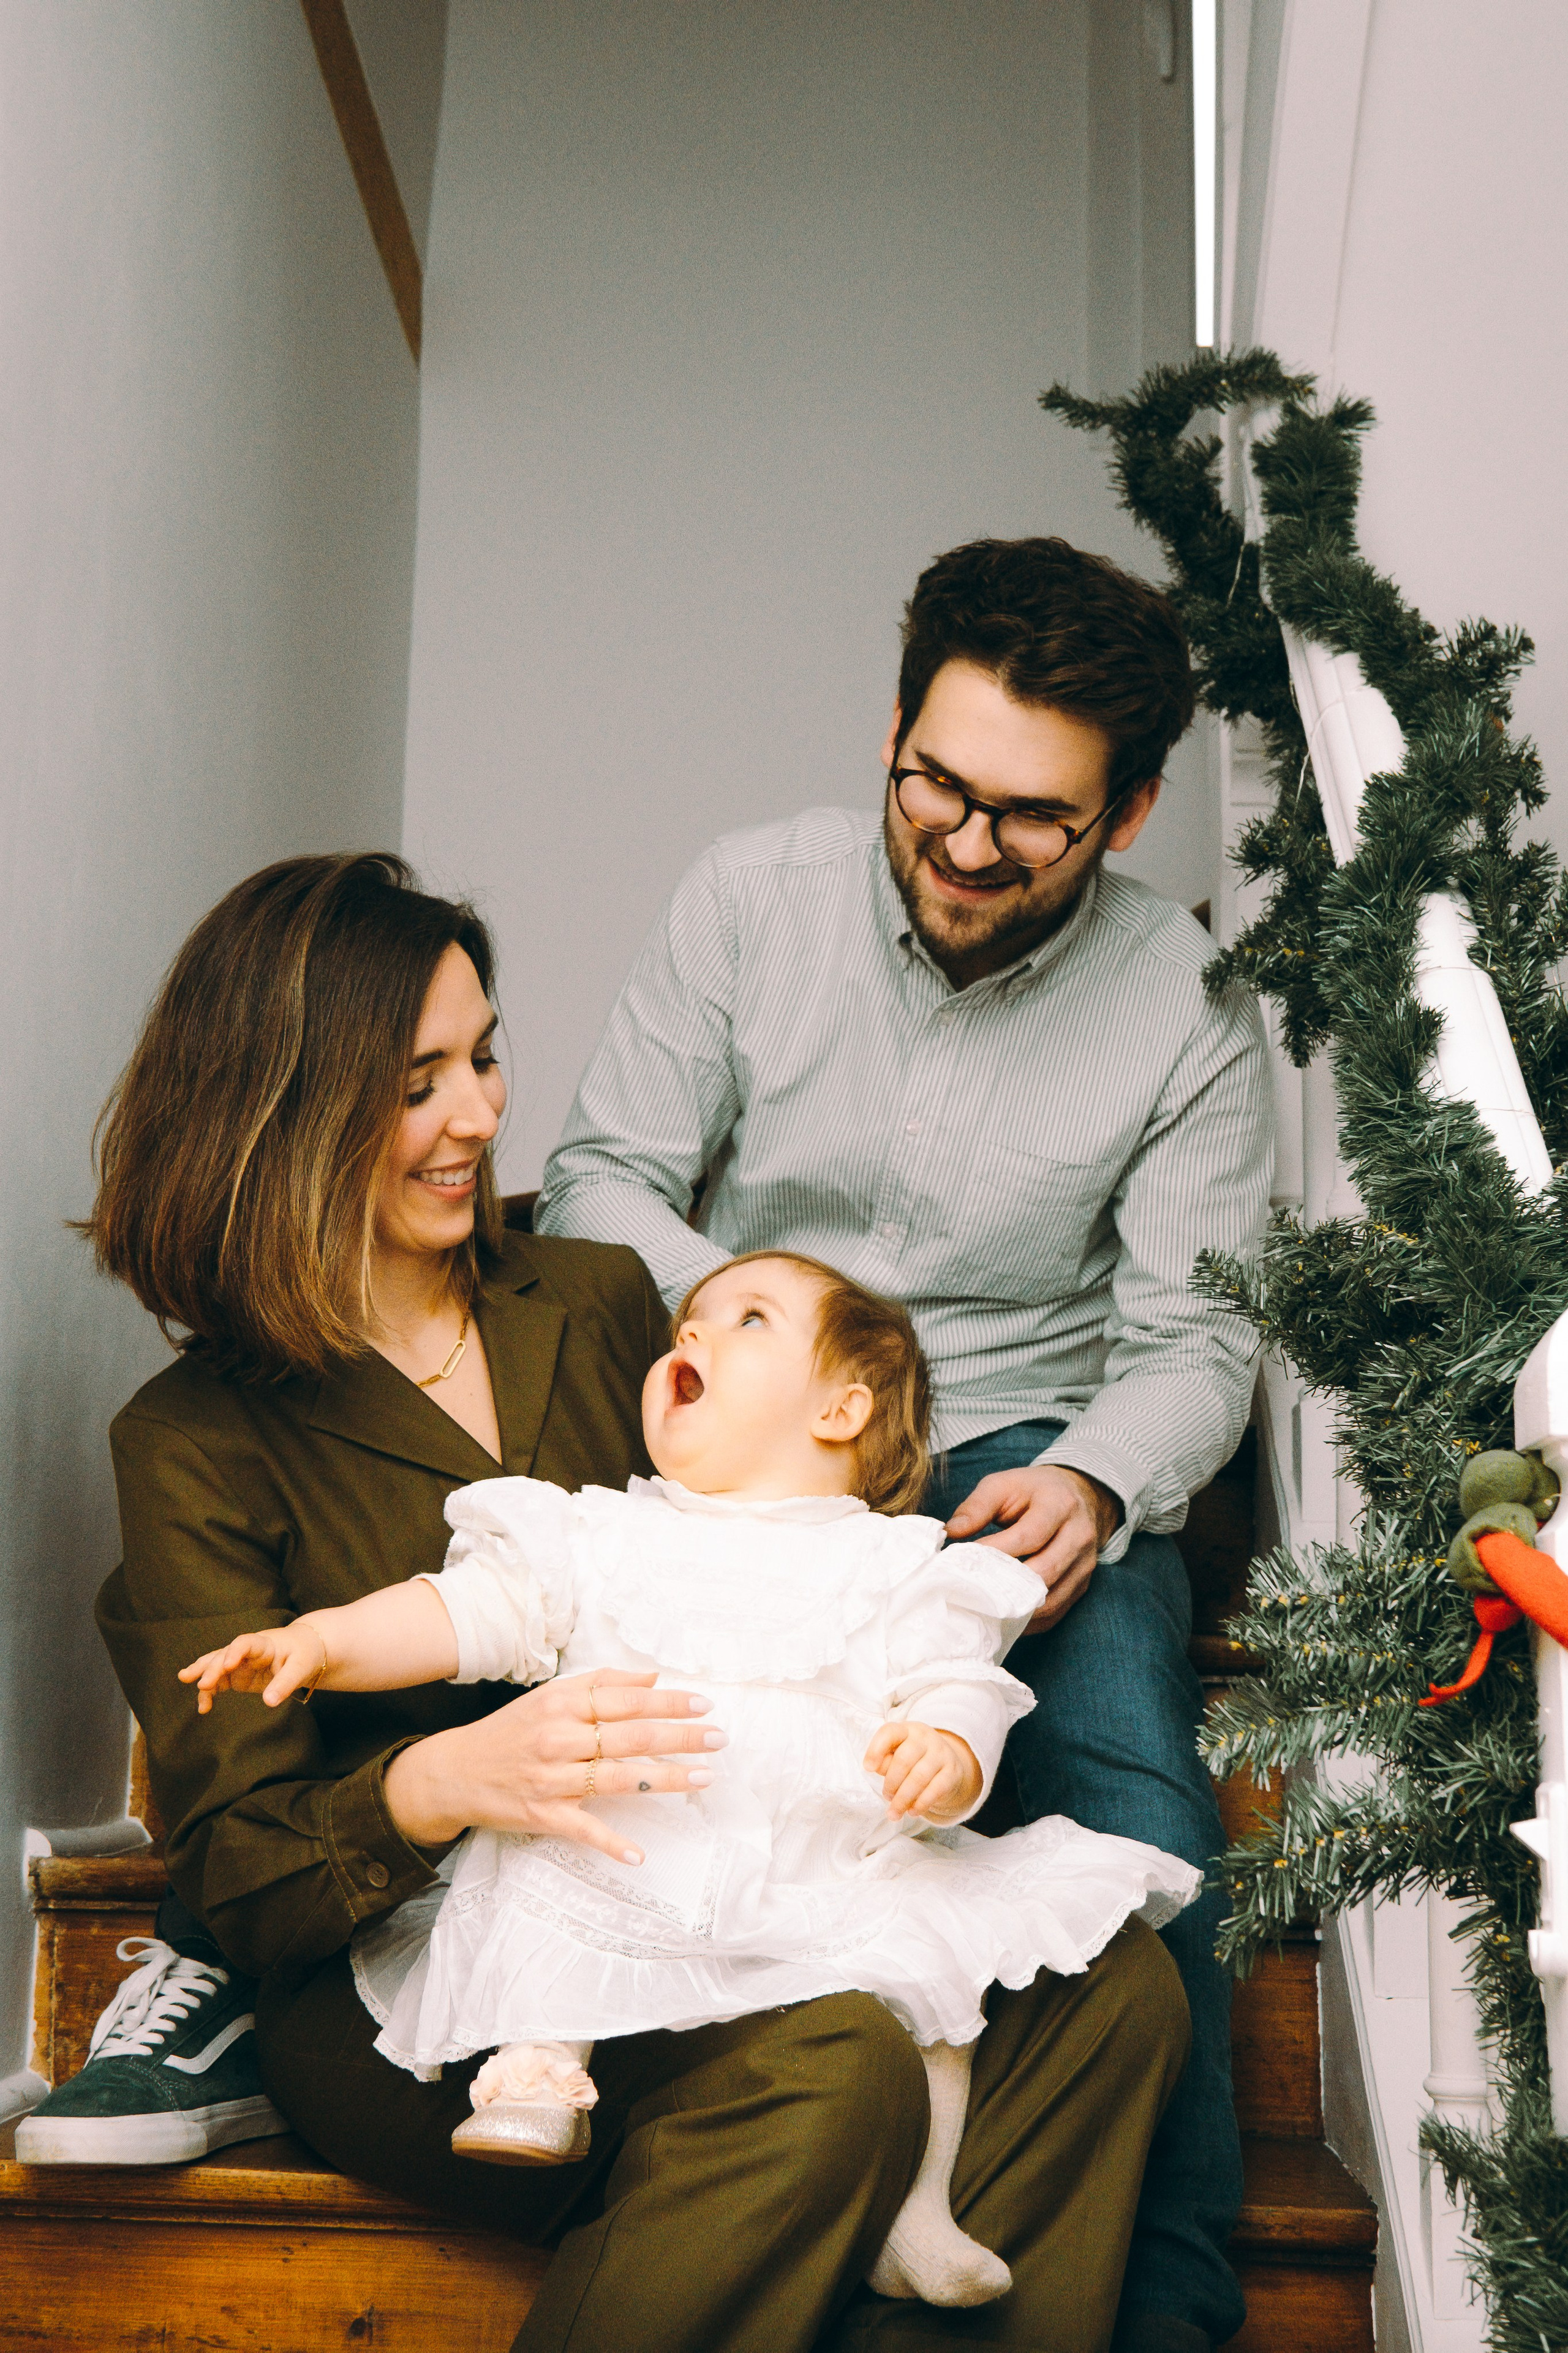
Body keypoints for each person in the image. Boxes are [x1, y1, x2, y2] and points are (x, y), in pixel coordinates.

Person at [21, 850, 1190, 2353]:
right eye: (417, 1081)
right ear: (287, 1107)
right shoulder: (191, 1441)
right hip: (441, 1974)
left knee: (1119, 1993)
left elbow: (783, 1543)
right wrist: (441, 1780)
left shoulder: (598, 1298)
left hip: (727, 1883)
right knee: (833, 2064)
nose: (484, 1115)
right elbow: (239, 1873)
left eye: (486, 1056)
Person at [536, 537, 1275, 2353]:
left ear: (1131, 812)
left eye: (1033, 817)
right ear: (891, 724)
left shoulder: (1190, 999)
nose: (963, 840)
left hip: (1016, 1451)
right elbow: (603, 1171)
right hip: (759, 1441)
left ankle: (1172, 2302)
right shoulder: (747, 898)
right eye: (934, 780)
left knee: (1127, 1797)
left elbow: (1197, 1330)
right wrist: (761, 1330)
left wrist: (1099, 1476)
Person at [183, 1248, 1199, 2311]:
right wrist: (324, 1642)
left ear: (843, 1407)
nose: (693, 1337)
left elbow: (960, 1682)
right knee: (553, 1898)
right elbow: (466, 1610)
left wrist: (947, 1754)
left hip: (814, 1878)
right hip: (630, 1852)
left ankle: (918, 2205)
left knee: (934, 1996)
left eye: (748, 1319)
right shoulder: (603, 1532)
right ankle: (535, 2078)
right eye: (688, 1323)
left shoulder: (902, 1563)